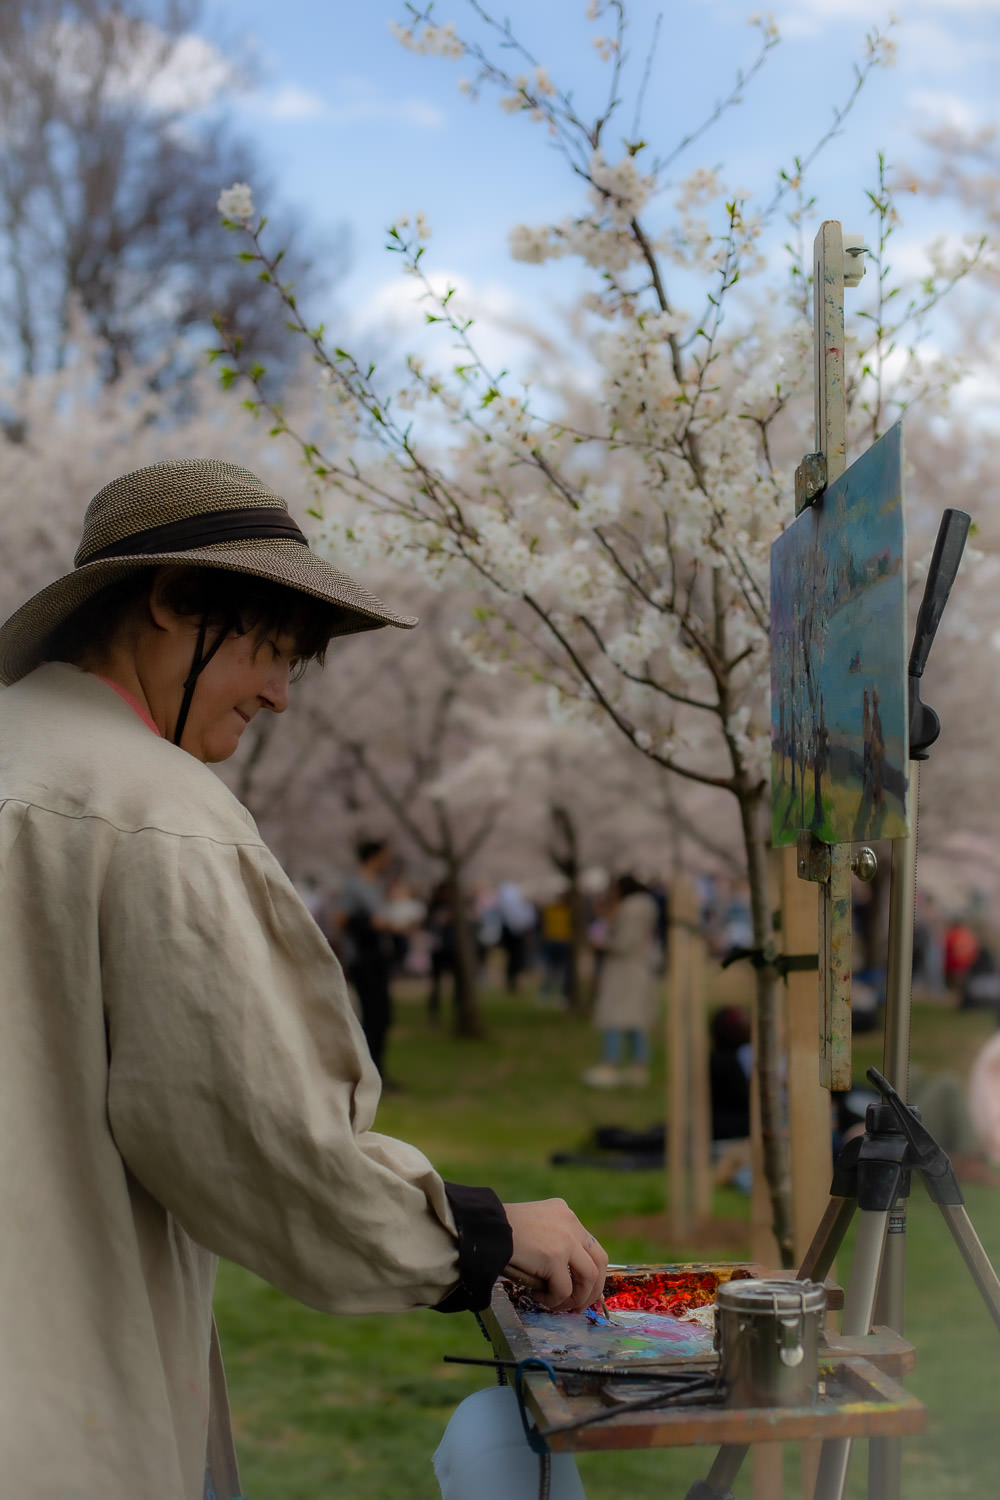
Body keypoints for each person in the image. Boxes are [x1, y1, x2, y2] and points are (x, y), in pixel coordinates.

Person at [0, 459, 607, 1500]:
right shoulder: (154, 809)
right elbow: (251, 1136)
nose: (281, 693)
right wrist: (481, 1230)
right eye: (272, 648)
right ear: (174, 601)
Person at [582, 873, 659, 1089]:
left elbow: (624, 943)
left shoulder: (630, 910)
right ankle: (638, 1068)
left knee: (615, 1018)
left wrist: (604, 943)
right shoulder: (644, 907)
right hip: (637, 969)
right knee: (635, 1021)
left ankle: (610, 1066)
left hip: (624, 970)